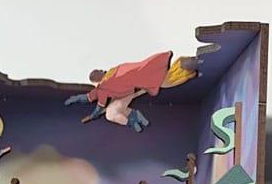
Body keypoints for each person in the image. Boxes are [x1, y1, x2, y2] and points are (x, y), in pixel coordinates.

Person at [65, 52, 199, 132]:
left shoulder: (105, 86)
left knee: (167, 80)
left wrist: (93, 115)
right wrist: (76, 99)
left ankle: (188, 66)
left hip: (142, 80)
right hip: (140, 79)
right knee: (166, 78)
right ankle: (134, 119)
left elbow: (99, 106)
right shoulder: (113, 72)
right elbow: (90, 98)